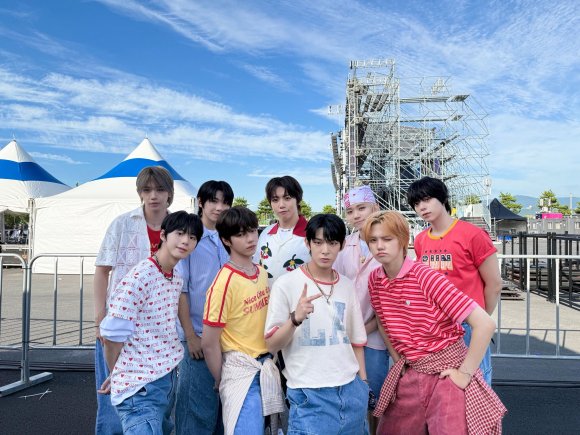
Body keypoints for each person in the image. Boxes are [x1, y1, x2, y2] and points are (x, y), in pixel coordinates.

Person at [363, 211, 506, 434]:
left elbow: (485, 324)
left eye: (387, 239)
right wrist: (398, 359)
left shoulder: (425, 276)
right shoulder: (375, 280)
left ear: (402, 240)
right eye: (373, 240)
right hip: (412, 369)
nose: (379, 246)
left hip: (447, 370)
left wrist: (464, 374)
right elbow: (383, 321)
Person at [98, 211, 203, 435]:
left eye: (193, 237)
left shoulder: (175, 277)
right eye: (180, 233)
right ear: (163, 235)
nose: (186, 240)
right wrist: (119, 374)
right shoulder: (141, 276)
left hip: (164, 379)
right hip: (141, 390)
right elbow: (112, 335)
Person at [265, 213, 369, 435]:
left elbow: (356, 341)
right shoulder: (286, 284)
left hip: (351, 391)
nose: (325, 250)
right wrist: (295, 319)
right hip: (308, 395)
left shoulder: (347, 286)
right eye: (318, 242)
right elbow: (272, 345)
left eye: (332, 243)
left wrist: (363, 384)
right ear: (307, 243)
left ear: (341, 245)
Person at [93, 166, 174, 434]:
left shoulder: (178, 227)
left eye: (160, 189)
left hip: (158, 331)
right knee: (114, 401)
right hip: (121, 326)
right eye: (147, 190)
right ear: (139, 193)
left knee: (159, 401)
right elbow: (102, 270)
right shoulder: (122, 223)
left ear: (169, 193)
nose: (153, 196)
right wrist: (99, 319)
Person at [407, 176, 502, 384]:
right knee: (444, 385)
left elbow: (494, 284)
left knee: (477, 382)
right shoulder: (421, 240)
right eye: (416, 203)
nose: (422, 207)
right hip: (435, 326)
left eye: (427, 199)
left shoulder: (473, 235)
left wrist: (479, 320)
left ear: (442, 198)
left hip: (467, 324)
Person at [201, 207, 284, 435]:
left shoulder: (260, 272)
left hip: (266, 366)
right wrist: (222, 379)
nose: (250, 238)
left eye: (252, 231)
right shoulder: (223, 282)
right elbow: (209, 343)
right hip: (241, 372)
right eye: (240, 234)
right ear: (226, 240)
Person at [175, 180, 233, 435]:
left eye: (225, 202)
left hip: (228, 338)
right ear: (200, 202)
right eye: (213, 201)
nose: (219, 208)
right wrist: (190, 336)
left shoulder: (230, 238)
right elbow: (181, 291)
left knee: (223, 410)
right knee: (195, 409)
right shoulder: (190, 239)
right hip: (198, 335)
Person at [333, 185, 388, 432]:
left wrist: (365, 329)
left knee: (376, 399)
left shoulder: (388, 245)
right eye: (350, 211)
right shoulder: (344, 246)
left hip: (375, 337)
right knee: (349, 397)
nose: (356, 215)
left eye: (361, 208)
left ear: (375, 207)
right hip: (345, 336)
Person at [254, 176, 310, 287]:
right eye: (275, 200)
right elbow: (256, 266)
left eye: (287, 198)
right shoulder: (265, 233)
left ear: (297, 200)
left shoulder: (313, 234)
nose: (281, 205)